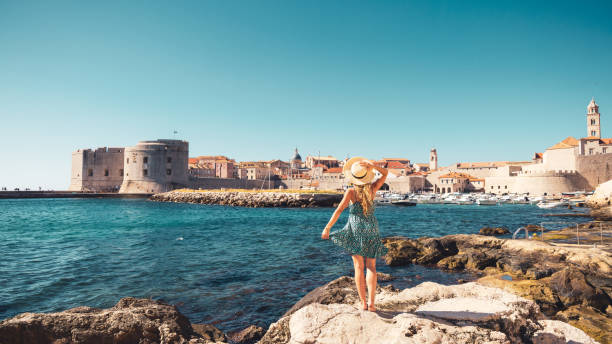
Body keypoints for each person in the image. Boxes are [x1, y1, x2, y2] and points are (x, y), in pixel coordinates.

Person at [321, 157, 388, 312]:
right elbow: (385, 174)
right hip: (372, 228)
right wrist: (373, 166)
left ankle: (363, 303)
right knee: (371, 267)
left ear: (353, 177)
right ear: (366, 175)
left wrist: (327, 228)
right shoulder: (372, 189)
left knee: (359, 267)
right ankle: (372, 304)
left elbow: (338, 211)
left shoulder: (351, 192)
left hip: (356, 229)